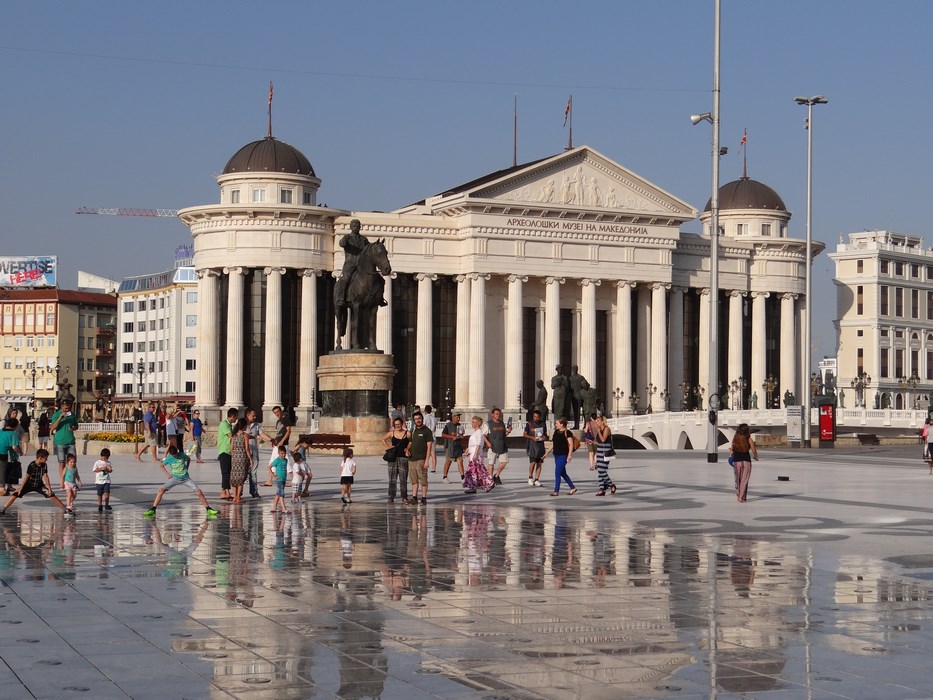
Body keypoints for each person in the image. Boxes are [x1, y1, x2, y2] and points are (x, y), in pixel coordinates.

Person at [143, 445, 219, 519]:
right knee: (161, 490)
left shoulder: (182, 455)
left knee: (198, 492)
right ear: (171, 454)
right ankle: (153, 509)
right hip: (174, 478)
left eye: (176, 454)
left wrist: (187, 467)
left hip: (185, 478)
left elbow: (188, 459)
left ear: (177, 452)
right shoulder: (169, 458)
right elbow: (161, 465)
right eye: (174, 455)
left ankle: (208, 509)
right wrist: (168, 474)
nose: (175, 456)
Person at [0, 448, 67, 516]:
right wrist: (21, 488)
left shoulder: (44, 465)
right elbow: (27, 477)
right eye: (46, 458)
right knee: (15, 494)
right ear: (40, 458)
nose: (46, 460)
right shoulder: (32, 465)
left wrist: (49, 489)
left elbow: (46, 476)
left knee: (52, 495)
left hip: (39, 485)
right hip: (28, 485)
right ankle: (4, 509)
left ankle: (65, 509)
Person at [49, 399, 79, 488]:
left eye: (68, 408)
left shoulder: (72, 415)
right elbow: (52, 427)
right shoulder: (56, 415)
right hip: (60, 442)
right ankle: (63, 482)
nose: (67, 410)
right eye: (65, 408)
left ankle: (72, 481)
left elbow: (76, 425)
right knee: (62, 462)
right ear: (61, 407)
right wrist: (60, 418)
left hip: (70, 441)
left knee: (72, 463)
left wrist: (74, 427)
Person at [245, 408, 274, 498]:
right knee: (242, 472)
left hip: (254, 451)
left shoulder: (256, 425)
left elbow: (262, 434)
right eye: (253, 415)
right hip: (244, 452)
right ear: (248, 415)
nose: (255, 417)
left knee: (253, 472)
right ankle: (238, 492)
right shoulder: (242, 424)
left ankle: (254, 491)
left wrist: (271, 439)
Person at [406, 411, 433, 505]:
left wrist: (427, 461)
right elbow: (410, 442)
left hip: (421, 459)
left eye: (419, 418)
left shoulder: (427, 431)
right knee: (413, 480)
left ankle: (424, 498)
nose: (418, 420)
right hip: (412, 458)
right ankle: (414, 497)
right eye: (416, 419)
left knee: (423, 479)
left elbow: (429, 447)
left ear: (422, 419)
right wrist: (407, 449)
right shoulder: (413, 430)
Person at [382, 417, 410, 504]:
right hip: (392, 458)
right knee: (392, 478)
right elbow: (382, 439)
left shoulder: (408, 433)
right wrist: (388, 447)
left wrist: (408, 449)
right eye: (396, 424)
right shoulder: (392, 433)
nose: (397, 426)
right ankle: (391, 496)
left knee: (403, 478)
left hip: (403, 458)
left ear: (402, 424)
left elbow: (411, 442)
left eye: (399, 424)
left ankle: (404, 496)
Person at [463, 416, 494, 494]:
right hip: (473, 454)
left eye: (473, 422)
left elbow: (478, 444)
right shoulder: (476, 432)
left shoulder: (479, 432)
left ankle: (490, 483)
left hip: (476, 455)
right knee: (473, 472)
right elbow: (472, 444)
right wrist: (467, 450)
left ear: (477, 424)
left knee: (480, 471)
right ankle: (473, 487)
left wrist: (475, 454)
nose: (472, 424)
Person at [730, 423, 759, 503]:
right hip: (746, 461)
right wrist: (756, 456)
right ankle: (741, 497)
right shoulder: (749, 439)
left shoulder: (735, 439)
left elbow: (731, 450)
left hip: (737, 462)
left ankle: (740, 495)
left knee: (738, 479)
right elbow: (753, 449)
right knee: (744, 480)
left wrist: (730, 456)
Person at [483, 407, 512, 485]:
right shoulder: (488, 424)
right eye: (496, 414)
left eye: (499, 414)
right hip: (492, 446)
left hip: (502, 445)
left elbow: (504, 435)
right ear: (492, 414)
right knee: (491, 463)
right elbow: (483, 435)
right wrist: (487, 443)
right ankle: (490, 478)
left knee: (505, 461)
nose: (498, 415)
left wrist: (508, 432)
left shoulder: (502, 423)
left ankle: (496, 476)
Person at [549, 418, 577, 497]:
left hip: (563, 455)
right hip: (556, 454)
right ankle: (572, 487)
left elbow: (571, 444)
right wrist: (546, 453)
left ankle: (556, 491)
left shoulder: (567, 432)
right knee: (562, 473)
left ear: (562, 424)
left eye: (557, 423)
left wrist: (569, 455)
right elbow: (553, 444)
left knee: (557, 472)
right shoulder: (556, 432)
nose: (555, 425)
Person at [217, 407, 238, 501]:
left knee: (227, 472)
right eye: (236, 417)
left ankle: (224, 491)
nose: (236, 419)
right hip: (224, 451)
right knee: (225, 472)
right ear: (232, 416)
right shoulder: (224, 424)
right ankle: (226, 492)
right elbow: (230, 436)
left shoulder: (229, 424)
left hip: (228, 451)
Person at [229, 417, 251, 504]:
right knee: (241, 478)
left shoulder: (234, 435)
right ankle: (238, 497)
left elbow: (231, 448)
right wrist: (250, 459)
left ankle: (234, 497)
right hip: (242, 458)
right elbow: (247, 449)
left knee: (234, 478)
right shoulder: (245, 435)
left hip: (234, 458)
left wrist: (234, 455)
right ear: (244, 426)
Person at [523, 409, 547, 486]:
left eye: (537, 417)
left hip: (540, 446)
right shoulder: (529, 424)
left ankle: (537, 479)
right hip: (532, 446)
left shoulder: (543, 424)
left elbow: (545, 435)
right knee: (532, 462)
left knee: (539, 463)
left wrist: (544, 437)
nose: (536, 418)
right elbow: (524, 434)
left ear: (540, 417)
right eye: (534, 417)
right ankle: (530, 477)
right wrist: (532, 438)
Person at [593, 415, 616, 496]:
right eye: (596, 421)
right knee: (599, 471)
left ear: (603, 421)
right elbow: (599, 442)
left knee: (602, 471)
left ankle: (611, 485)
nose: (597, 423)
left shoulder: (606, 429)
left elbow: (603, 440)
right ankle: (602, 489)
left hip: (606, 452)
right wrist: (592, 442)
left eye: (598, 421)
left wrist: (599, 431)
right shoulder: (599, 430)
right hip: (599, 451)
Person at [0, 418, 23, 495]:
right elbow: (14, 447)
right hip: (3, 453)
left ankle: (5, 487)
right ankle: (2, 489)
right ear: (15, 426)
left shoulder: (1, 431)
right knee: (2, 471)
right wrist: (20, 452)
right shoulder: (13, 433)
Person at [440, 412, 465, 483]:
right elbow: (443, 435)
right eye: (457, 417)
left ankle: (463, 477)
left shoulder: (459, 425)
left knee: (460, 461)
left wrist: (462, 434)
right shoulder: (448, 426)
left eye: (459, 417)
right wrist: (452, 437)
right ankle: (444, 477)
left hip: (458, 446)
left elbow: (460, 435)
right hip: (449, 446)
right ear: (453, 417)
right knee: (448, 461)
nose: (458, 419)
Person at [268, 445, 289, 514]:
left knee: (278, 493)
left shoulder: (286, 460)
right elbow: (269, 467)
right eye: (282, 453)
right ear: (279, 453)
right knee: (281, 494)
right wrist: (274, 475)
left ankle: (274, 507)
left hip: (283, 479)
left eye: (284, 453)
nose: (283, 455)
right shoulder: (277, 460)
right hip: (279, 479)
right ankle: (283, 508)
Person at [92, 447, 113, 513]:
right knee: (99, 494)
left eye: (106, 458)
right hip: (99, 481)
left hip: (106, 481)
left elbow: (110, 471)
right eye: (104, 458)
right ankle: (100, 505)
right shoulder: (97, 462)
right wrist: (101, 468)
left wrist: (109, 470)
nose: (105, 459)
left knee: (107, 493)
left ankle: (106, 504)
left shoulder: (108, 463)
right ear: (101, 456)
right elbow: (94, 470)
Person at [423, 404, 438, 472]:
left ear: (425, 411)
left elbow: (423, 427)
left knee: (426, 452)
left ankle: (425, 465)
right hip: (433, 436)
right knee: (433, 453)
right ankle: (434, 468)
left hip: (426, 437)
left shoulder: (425, 418)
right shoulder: (434, 418)